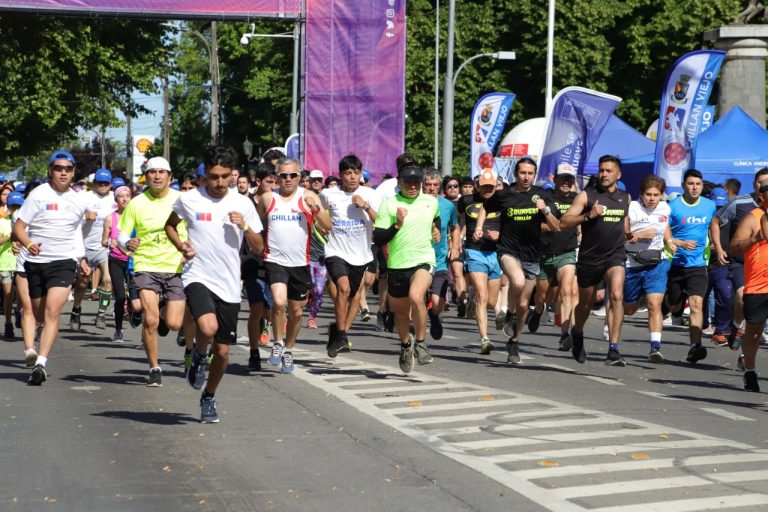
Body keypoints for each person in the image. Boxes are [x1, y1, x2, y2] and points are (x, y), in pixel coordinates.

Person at [166, 145, 264, 422]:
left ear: (233, 174)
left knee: (222, 352)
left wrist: (244, 226)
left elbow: (258, 247)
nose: (219, 183)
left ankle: (208, 396)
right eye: (213, 176)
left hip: (230, 283)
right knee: (207, 327)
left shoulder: (243, 203)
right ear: (204, 176)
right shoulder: (189, 199)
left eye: (224, 176)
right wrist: (181, 245)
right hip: (197, 274)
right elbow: (170, 225)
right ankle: (198, 355)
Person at [13, 150, 92, 385]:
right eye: (59, 168)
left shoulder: (79, 199)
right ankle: (33, 348)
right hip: (36, 262)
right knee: (37, 312)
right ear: (51, 170)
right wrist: (28, 243)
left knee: (52, 311)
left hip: (63, 262)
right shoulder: (38, 195)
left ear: (74, 172)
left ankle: (41, 363)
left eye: (68, 168)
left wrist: (82, 259)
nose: (63, 172)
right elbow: (19, 227)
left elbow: (77, 232)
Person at [475, 158, 559, 365]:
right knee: (518, 282)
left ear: (535, 174)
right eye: (523, 173)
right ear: (516, 173)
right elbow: (485, 207)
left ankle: (514, 341)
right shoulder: (505, 195)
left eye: (530, 173)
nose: (526, 177)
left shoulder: (543, 195)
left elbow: (556, 227)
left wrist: (545, 210)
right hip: (508, 250)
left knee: (524, 304)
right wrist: (479, 226)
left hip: (532, 254)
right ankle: (509, 314)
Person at [118, 157, 185, 387]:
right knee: (150, 319)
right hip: (146, 265)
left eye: (161, 172)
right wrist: (128, 243)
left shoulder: (181, 200)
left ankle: (166, 312)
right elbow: (121, 234)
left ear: (170, 177)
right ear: (145, 177)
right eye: (152, 172)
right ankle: (154, 367)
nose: (157, 176)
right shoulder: (136, 203)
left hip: (176, 266)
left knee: (175, 324)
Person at [257, 158, 330, 374]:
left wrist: (315, 210)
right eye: (283, 175)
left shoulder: (308, 197)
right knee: (279, 302)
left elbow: (328, 227)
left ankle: (289, 350)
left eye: (292, 175)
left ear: (300, 176)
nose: (288, 179)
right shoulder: (268, 198)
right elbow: (256, 223)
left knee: (296, 313)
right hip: (275, 259)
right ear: (276, 177)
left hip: (300, 263)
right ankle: (277, 343)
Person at [560, 155, 630, 366]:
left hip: (615, 255)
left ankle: (614, 349)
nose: (603, 174)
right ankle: (578, 332)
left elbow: (624, 221)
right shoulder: (586, 195)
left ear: (618, 174)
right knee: (585, 304)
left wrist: (629, 233)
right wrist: (589, 215)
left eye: (608, 171)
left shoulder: (625, 197)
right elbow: (564, 222)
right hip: (590, 258)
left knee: (617, 295)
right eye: (601, 170)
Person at [374, 163, 440, 374]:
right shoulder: (389, 205)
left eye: (416, 183)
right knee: (400, 313)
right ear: (399, 182)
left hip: (424, 259)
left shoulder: (431, 201)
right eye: (408, 182)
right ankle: (405, 346)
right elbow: (378, 237)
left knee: (416, 296)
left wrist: (436, 231)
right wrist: (397, 224)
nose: (413, 186)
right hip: (397, 264)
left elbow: (435, 221)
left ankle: (420, 343)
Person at [320, 154, 381, 355]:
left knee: (354, 298)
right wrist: (321, 225)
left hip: (361, 254)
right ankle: (341, 335)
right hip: (335, 251)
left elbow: (380, 222)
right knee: (343, 289)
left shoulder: (369, 194)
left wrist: (365, 206)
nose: (352, 177)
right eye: (348, 173)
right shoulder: (329, 194)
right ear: (341, 175)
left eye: (356, 173)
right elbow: (319, 212)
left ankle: (339, 334)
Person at [710, 168, 768, 349]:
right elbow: (715, 222)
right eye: (760, 183)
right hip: (740, 262)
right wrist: (719, 249)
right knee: (742, 297)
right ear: (754, 184)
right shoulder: (740, 203)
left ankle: (745, 346)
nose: (764, 186)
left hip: (763, 267)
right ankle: (737, 326)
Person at [665, 169, 718, 364]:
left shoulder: (709, 205)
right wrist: (677, 242)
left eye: (698, 184)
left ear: (702, 186)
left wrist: (716, 245)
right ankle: (671, 307)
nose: (694, 187)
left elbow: (714, 224)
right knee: (674, 304)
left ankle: (695, 346)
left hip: (698, 264)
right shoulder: (673, 206)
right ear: (683, 186)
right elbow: (665, 229)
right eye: (690, 184)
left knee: (696, 304)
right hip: (676, 263)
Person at [529, 163, 580, 351]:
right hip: (546, 253)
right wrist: (553, 225)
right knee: (543, 296)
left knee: (567, 291)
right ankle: (538, 311)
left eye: (570, 179)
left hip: (567, 252)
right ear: (554, 179)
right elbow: (537, 225)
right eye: (563, 178)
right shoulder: (546, 197)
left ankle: (565, 334)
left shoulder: (577, 200)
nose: (566, 182)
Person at [623, 175, 671, 363]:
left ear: (661, 195)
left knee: (654, 304)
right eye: (648, 194)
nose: (652, 198)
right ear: (641, 194)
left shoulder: (666, 208)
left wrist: (670, 241)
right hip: (631, 263)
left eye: (656, 195)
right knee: (630, 309)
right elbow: (622, 235)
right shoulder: (632, 208)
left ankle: (655, 347)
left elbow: (665, 226)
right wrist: (640, 234)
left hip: (656, 263)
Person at [727, 182, 768, 391]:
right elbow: (733, 248)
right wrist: (753, 239)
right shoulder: (753, 218)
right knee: (753, 332)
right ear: (762, 197)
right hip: (759, 284)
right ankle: (750, 370)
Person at [457, 170, 501, 353]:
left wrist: (500, 235)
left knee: (491, 302)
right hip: (474, 252)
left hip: (496, 253)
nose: (488, 190)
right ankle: (484, 339)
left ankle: (472, 300)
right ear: (478, 185)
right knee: (483, 296)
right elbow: (457, 219)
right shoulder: (466, 201)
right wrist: (458, 237)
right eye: (484, 186)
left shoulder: (503, 201)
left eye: (491, 186)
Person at [70, 168, 115, 332]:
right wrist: (84, 217)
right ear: (94, 184)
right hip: (84, 247)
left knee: (108, 280)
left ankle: (101, 315)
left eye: (106, 183)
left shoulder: (114, 198)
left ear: (110, 184)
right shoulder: (84, 197)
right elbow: (70, 218)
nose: (102, 186)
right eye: (99, 183)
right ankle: (76, 310)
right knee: (82, 284)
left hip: (104, 247)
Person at [422, 168, 459, 341]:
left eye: (434, 185)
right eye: (427, 184)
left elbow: (455, 227)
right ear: (422, 185)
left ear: (439, 187)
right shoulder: (415, 204)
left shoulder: (448, 206)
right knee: (417, 298)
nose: (431, 188)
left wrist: (455, 246)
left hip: (440, 260)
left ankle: (434, 315)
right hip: (419, 259)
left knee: (437, 303)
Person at [101, 185, 134, 343]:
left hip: (134, 261)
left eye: (127, 195)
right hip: (116, 260)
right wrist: (109, 243)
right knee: (120, 296)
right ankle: (118, 330)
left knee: (137, 299)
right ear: (116, 199)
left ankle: (135, 316)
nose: (125, 198)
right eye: (121, 196)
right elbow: (103, 241)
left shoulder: (136, 217)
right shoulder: (110, 218)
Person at [0, 185, 16, 338]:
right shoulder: (1, 217)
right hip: (4, 261)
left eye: (9, 194)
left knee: (21, 295)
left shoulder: (23, 217)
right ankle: (8, 323)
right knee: (8, 295)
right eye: (4, 194)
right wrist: (9, 238)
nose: (7, 197)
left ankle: (19, 313)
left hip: (20, 262)